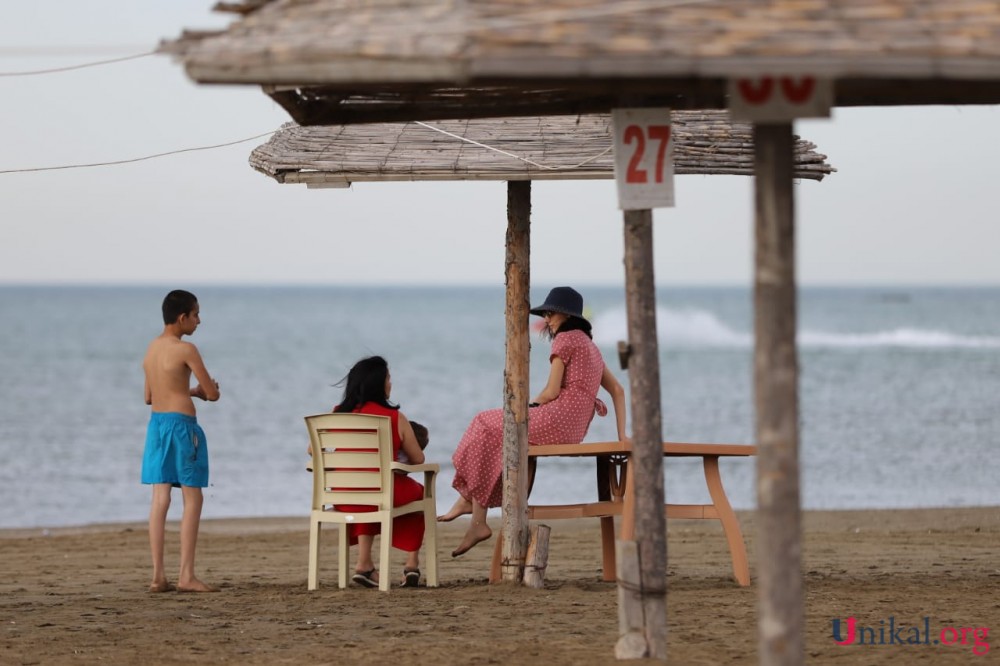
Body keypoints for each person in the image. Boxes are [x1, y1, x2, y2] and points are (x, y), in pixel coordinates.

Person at [439, 286, 628, 557]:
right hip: (572, 430)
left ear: (566, 315)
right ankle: (470, 506)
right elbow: (618, 391)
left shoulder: (564, 340)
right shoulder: (592, 347)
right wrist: (623, 435)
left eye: (551, 313)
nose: (547, 318)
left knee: (484, 421)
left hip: (555, 419)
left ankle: (473, 509)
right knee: (495, 431)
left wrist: (529, 407)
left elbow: (551, 392)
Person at [141, 289, 221, 593]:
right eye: (196, 314)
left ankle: (158, 576)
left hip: (157, 427)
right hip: (183, 428)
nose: (199, 321)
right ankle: (186, 575)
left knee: (159, 499)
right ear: (181, 317)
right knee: (193, 498)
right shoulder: (186, 350)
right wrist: (205, 392)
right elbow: (211, 393)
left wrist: (185, 390)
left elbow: (150, 396)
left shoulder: (151, 349)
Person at [332, 356, 427, 588]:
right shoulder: (394, 417)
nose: (391, 383)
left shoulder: (337, 414)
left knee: (370, 494)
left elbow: (312, 451)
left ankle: (364, 564)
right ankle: (411, 564)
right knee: (419, 493)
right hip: (380, 492)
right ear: (379, 384)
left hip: (343, 496)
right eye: (388, 378)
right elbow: (418, 459)